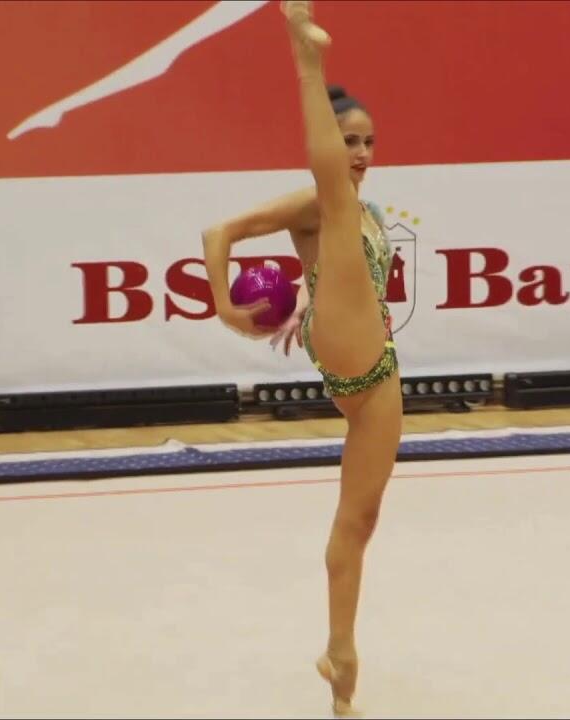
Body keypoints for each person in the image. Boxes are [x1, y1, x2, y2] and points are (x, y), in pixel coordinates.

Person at [200, 2, 401, 714]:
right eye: (349, 140)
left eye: (368, 141)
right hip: (349, 345)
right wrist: (225, 308)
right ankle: (304, 60)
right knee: (337, 199)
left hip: (376, 374)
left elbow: (344, 275)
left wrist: (307, 303)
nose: (362, 153)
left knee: (359, 521)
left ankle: (340, 654)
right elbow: (219, 232)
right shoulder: (326, 199)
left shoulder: (366, 212)